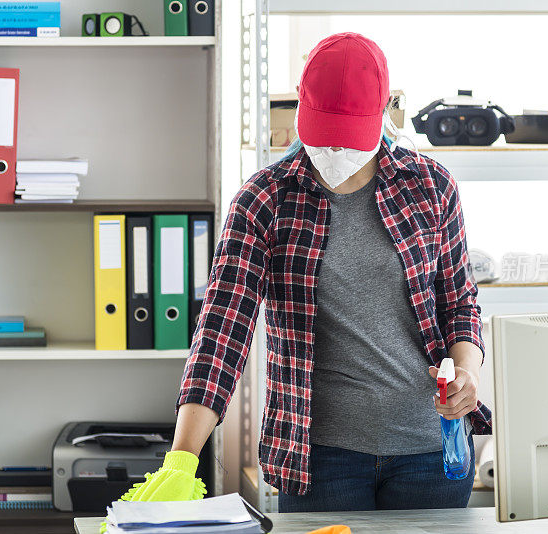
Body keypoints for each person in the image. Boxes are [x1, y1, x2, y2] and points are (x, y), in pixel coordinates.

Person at [137, 32, 490, 512]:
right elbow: (223, 331)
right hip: (320, 460)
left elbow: (458, 302)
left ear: (383, 111)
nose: (334, 150)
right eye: (323, 133)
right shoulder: (265, 199)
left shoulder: (431, 186)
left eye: (347, 134)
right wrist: (181, 459)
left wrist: (466, 373)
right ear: (302, 106)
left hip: (431, 451)